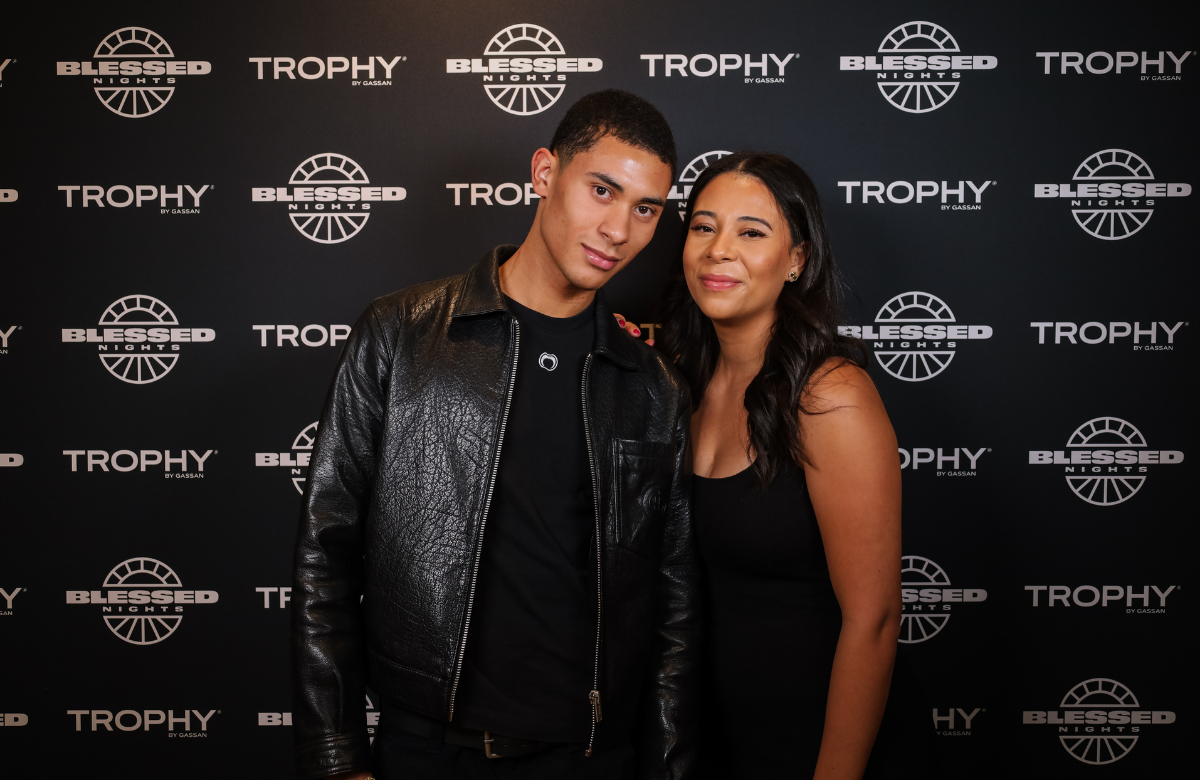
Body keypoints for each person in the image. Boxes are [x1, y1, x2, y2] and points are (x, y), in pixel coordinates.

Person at [291, 90, 699, 780]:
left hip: (589, 758)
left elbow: (672, 606)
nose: (618, 230)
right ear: (544, 173)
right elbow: (324, 556)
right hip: (428, 752)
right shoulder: (401, 334)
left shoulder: (653, 387)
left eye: (645, 209)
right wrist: (336, 757)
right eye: (602, 190)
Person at [659, 151, 903, 778]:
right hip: (718, 746)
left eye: (751, 232)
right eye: (704, 227)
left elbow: (873, 620)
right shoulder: (682, 384)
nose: (719, 249)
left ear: (797, 259)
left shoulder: (829, 396)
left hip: (819, 749)